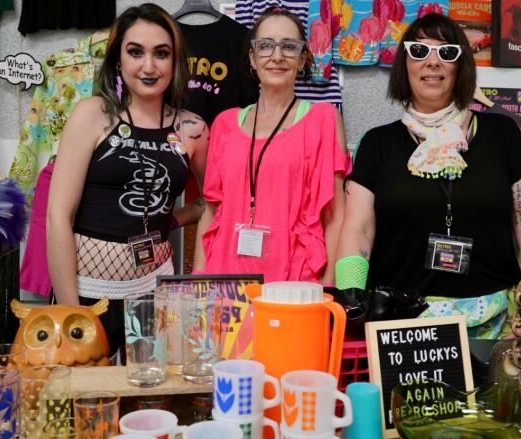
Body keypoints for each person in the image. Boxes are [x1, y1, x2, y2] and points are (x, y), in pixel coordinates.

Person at [335, 14, 521, 339]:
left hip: (496, 325)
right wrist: (349, 292)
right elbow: (358, 227)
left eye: (447, 53)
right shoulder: (376, 143)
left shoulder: (503, 134)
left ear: (460, 66)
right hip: (400, 325)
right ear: (404, 65)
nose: (432, 63)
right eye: (419, 51)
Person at [47, 4, 208, 351]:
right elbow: (58, 216)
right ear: (118, 60)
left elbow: (213, 202)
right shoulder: (93, 115)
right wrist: (72, 312)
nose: (148, 66)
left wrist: (178, 218)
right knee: (87, 400)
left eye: (161, 54)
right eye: (136, 52)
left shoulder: (193, 129)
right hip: (87, 294)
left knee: (149, 399)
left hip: (155, 294)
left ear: (175, 62)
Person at [194, 7, 350, 284]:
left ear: (302, 60)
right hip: (224, 281)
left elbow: (335, 217)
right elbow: (211, 212)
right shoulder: (225, 123)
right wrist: (196, 285)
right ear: (252, 58)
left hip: (294, 282)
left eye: (289, 46)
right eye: (265, 46)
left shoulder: (323, 119)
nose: (277, 56)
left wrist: (329, 289)